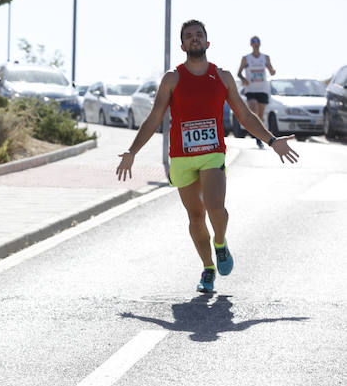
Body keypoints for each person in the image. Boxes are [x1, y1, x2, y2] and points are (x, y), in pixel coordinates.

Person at [116, 20, 298, 293]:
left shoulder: (222, 76)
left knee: (215, 207)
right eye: (188, 36)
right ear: (182, 45)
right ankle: (207, 268)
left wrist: (271, 140)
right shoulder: (172, 78)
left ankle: (221, 244)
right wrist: (132, 151)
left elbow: (245, 115)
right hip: (181, 157)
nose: (194, 39)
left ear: (207, 42)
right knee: (196, 217)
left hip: (212, 153)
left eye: (199, 35)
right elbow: (154, 117)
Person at [237, 36, 276, 148]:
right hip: (251, 89)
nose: (256, 44)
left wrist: (273, 71)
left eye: (257, 42)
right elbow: (239, 73)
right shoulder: (246, 58)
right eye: (253, 42)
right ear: (251, 44)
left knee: (260, 115)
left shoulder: (265, 57)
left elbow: (271, 70)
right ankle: (257, 137)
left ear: (260, 44)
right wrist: (244, 79)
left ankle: (259, 136)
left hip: (262, 89)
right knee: (253, 111)